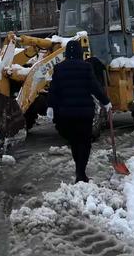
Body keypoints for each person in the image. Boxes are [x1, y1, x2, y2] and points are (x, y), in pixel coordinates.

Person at [47, 40, 111, 183]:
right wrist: (106, 102)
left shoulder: (59, 68)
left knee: (75, 142)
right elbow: (95, 87)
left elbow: (53, 90)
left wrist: (50, 106)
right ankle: (81, 172)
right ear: (79, 53)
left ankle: (79, 169)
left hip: (66, 114)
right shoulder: (86, 67)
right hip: (85, 113)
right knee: (85, 142)